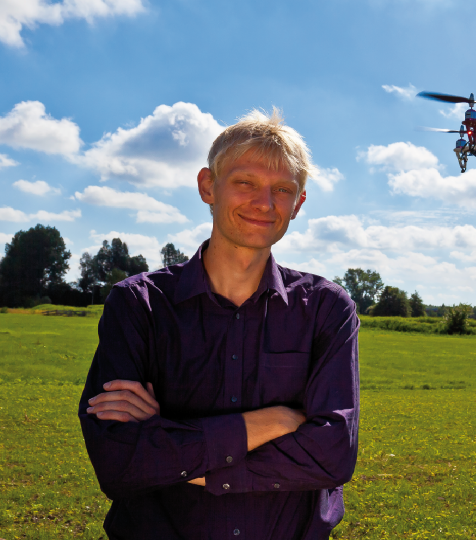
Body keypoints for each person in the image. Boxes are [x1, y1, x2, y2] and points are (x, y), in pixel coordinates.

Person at [78, 109, 360, 540]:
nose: (264, 203)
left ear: (298, 203)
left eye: (282, 189)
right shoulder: (139, 305)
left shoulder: (325, 308)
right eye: (245, 182)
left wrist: (180, 458)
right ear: (208, 186)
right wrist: (275, 421)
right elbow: (119, 462)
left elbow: (332, 456)